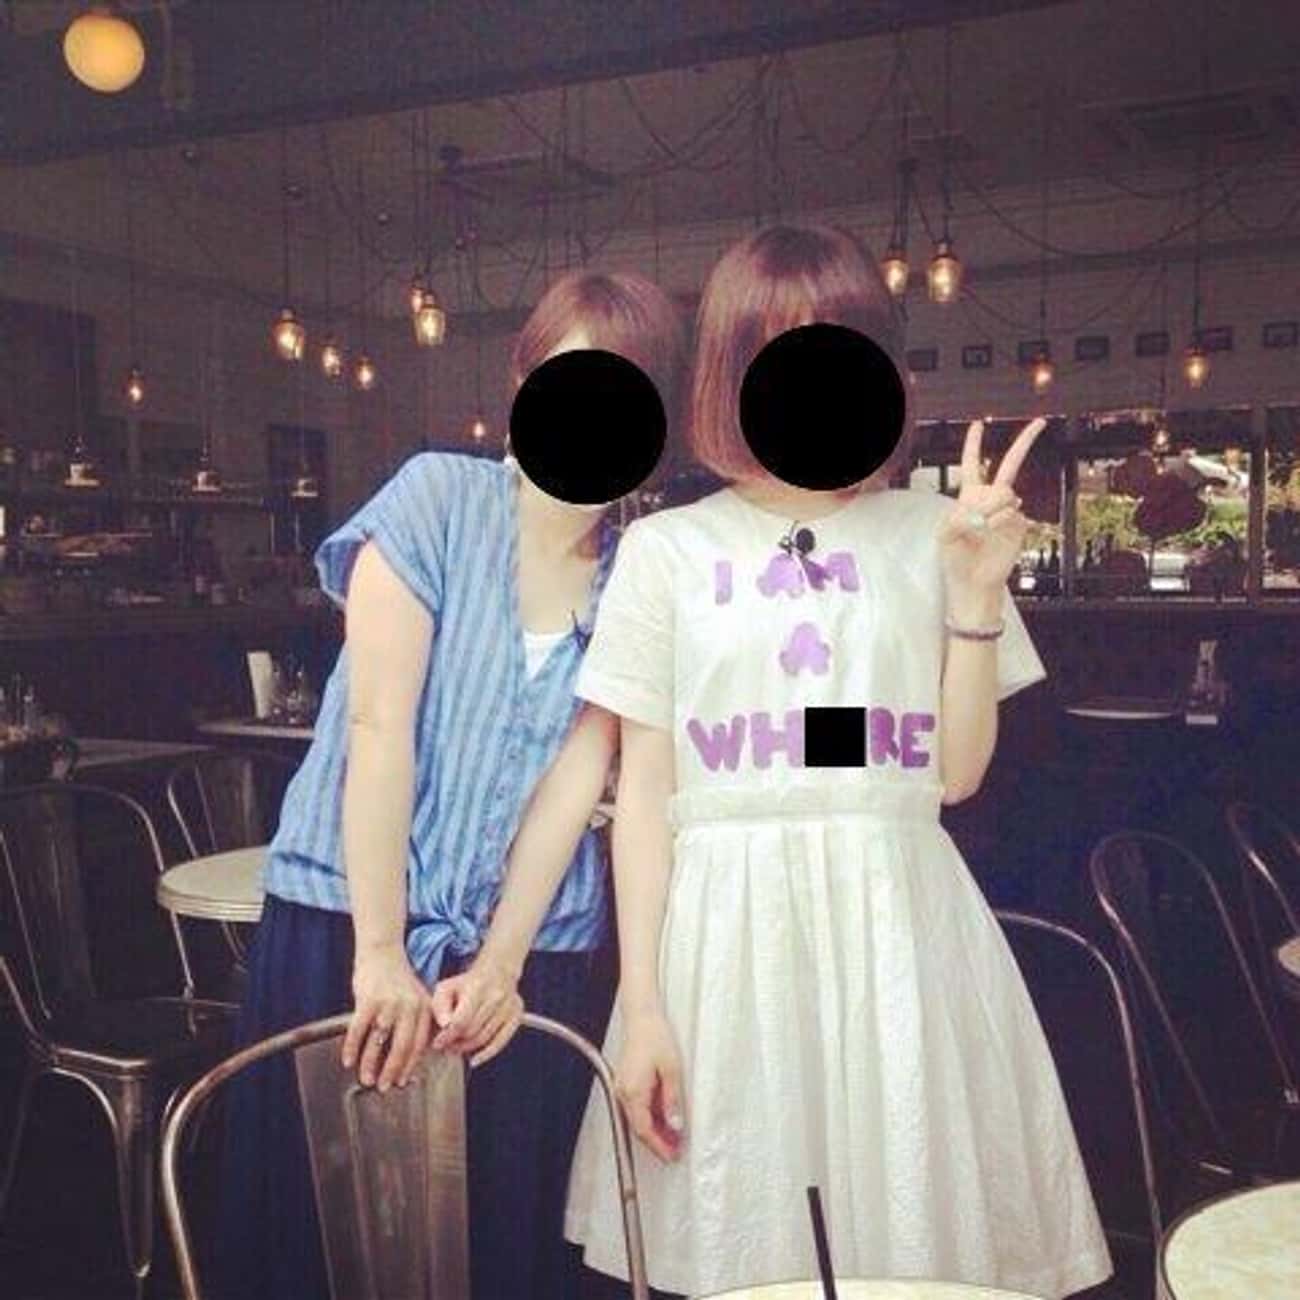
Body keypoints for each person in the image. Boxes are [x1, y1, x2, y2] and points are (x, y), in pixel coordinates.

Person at [563, 225, 1113, 1298]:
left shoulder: (934, 532)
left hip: (896, 927)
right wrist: (644, 1006)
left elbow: (948, 773)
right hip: (723, 943)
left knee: (907, 1243)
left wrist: (973, 596)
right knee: (744, 1247)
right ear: (730, 369)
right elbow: (653, 794)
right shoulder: (665, 551)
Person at [218, 269, 684, 1300]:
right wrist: (382, 950)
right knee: (322, 1249)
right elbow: (380, 727)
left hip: (524, 965)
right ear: (524, 383)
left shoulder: (638, 575)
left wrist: (504, 961)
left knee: (492, 1249)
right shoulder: (435, 499)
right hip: (346, 922)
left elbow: (580, 777)